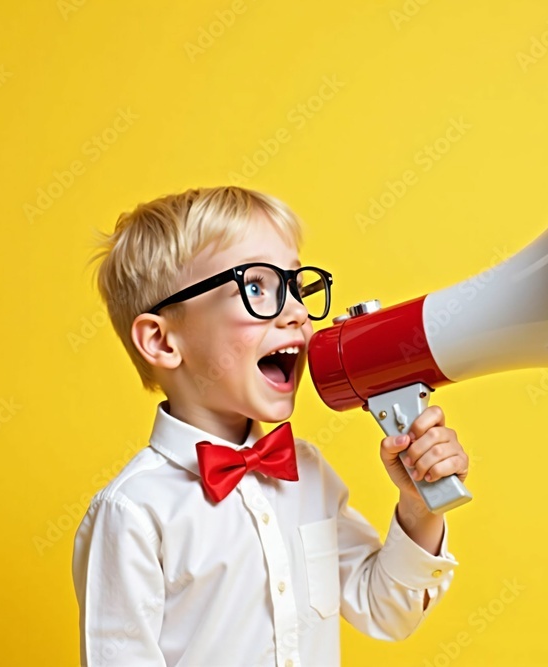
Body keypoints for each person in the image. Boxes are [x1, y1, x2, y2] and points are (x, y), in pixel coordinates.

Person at [72, 186, 470, 666]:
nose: (298, 312)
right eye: (256, 288)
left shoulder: (307, 472)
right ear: (161, 341)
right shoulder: (133, 512)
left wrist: (419, 505)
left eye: (296, 288)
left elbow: (386, 610)